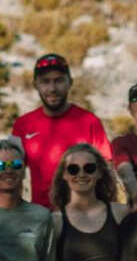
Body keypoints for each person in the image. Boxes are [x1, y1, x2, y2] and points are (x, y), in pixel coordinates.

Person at [12, 53, 112, 209]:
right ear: (35, 84)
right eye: (45, 81)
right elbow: (13, 174)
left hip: (85, 216)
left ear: (70, 82)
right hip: (42, 216)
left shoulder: (90, 122)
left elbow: (107, 172)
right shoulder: (23, 125)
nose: (52, 88)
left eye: (58, 80)